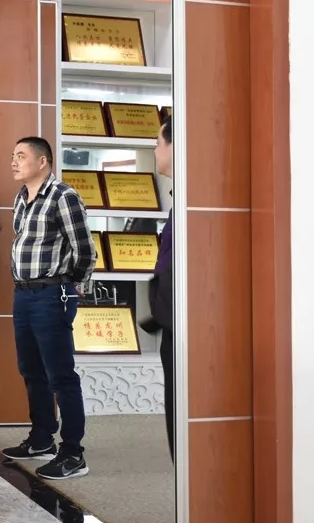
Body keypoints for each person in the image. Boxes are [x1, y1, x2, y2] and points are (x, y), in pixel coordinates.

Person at [2, 136, 96, 480]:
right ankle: (42, 438)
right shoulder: (21, 197)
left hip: (52, 293)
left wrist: (68, 283)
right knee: (31, 369)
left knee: (60, 375)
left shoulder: (63, 196)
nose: (14, 161)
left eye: (21, 155)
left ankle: (73, 453)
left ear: (42, 161)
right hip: (24, 294)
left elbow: (84, 249)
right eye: (13, 155)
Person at [149, 116, 174, 460]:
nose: (155, 150)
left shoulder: (193, 203)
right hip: (170, 319)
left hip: (181, 324)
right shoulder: (178, 198)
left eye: (158, 143)